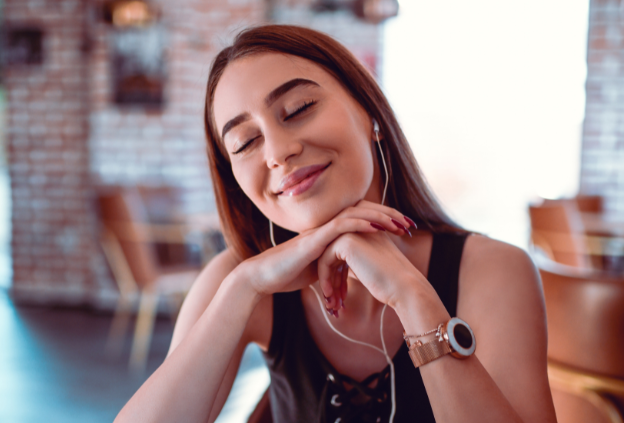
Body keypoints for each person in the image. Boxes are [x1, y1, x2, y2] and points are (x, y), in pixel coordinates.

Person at [115, 25, 557, 423]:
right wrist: (243, 287)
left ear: (371, 114)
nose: (277, 152)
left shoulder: (495, 270)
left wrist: (413, 297)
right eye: (246, 142)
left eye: (299, 107)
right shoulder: (240, 281)